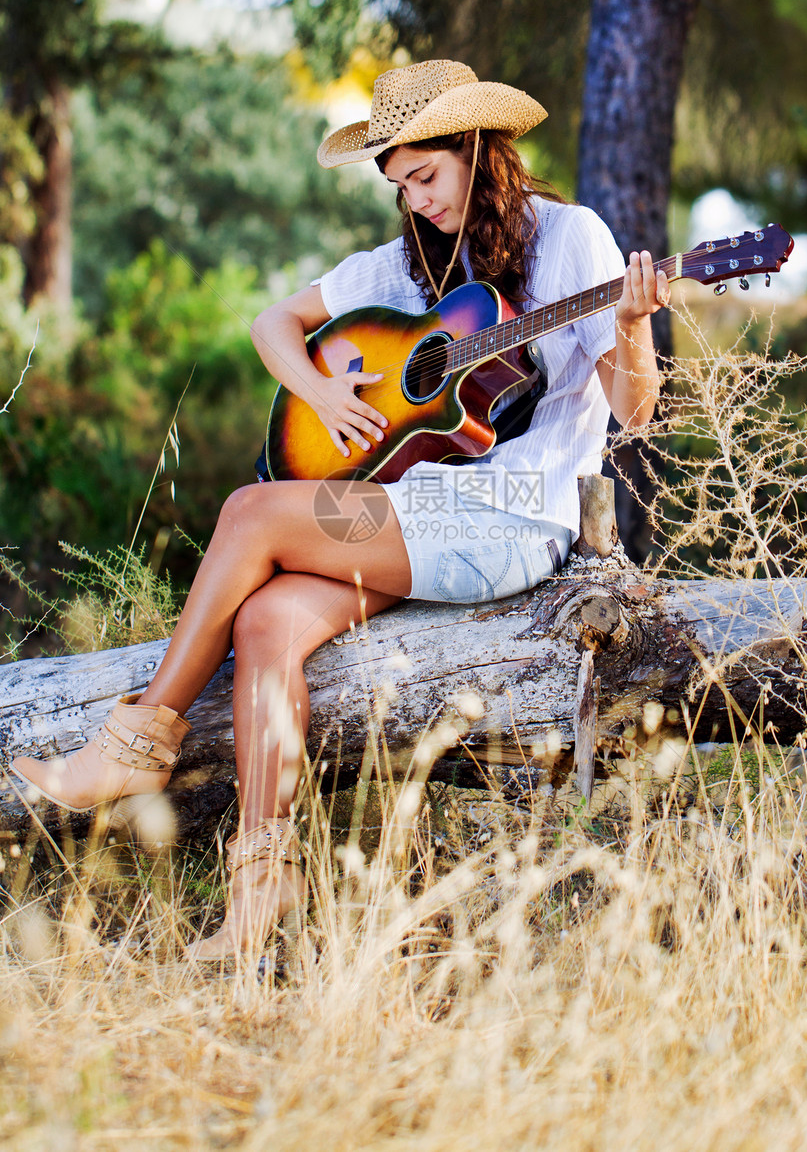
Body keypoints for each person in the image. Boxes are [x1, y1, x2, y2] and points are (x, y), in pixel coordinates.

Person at [10, 59, 670, 959]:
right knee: (270, 621)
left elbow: (636, 411)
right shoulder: (405, 263)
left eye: (427, 177)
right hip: (418, 512)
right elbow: (272, 324)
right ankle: (259, 896)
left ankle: (130, 748)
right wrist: (321, 397)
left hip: (518, 517)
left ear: (477, 147)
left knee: (250, 512)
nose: (417, 201)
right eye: (399, 186)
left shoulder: (573, 240)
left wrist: (632, 325)